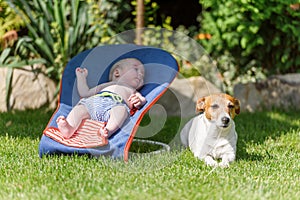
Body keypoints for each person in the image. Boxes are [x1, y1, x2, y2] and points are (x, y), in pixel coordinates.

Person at [56, 58, 146, 141]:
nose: (141, 74)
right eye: (136, 69)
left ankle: (108, 130)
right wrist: (81, 77)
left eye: (143, 75)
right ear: (117, 72)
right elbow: (85, 93)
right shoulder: (108, 84)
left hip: (115, 105)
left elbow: (143, 100)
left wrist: (139, 102)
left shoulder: (132, 91)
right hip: (94, 102)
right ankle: (69, 128)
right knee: (79, 109)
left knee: (121, 111)